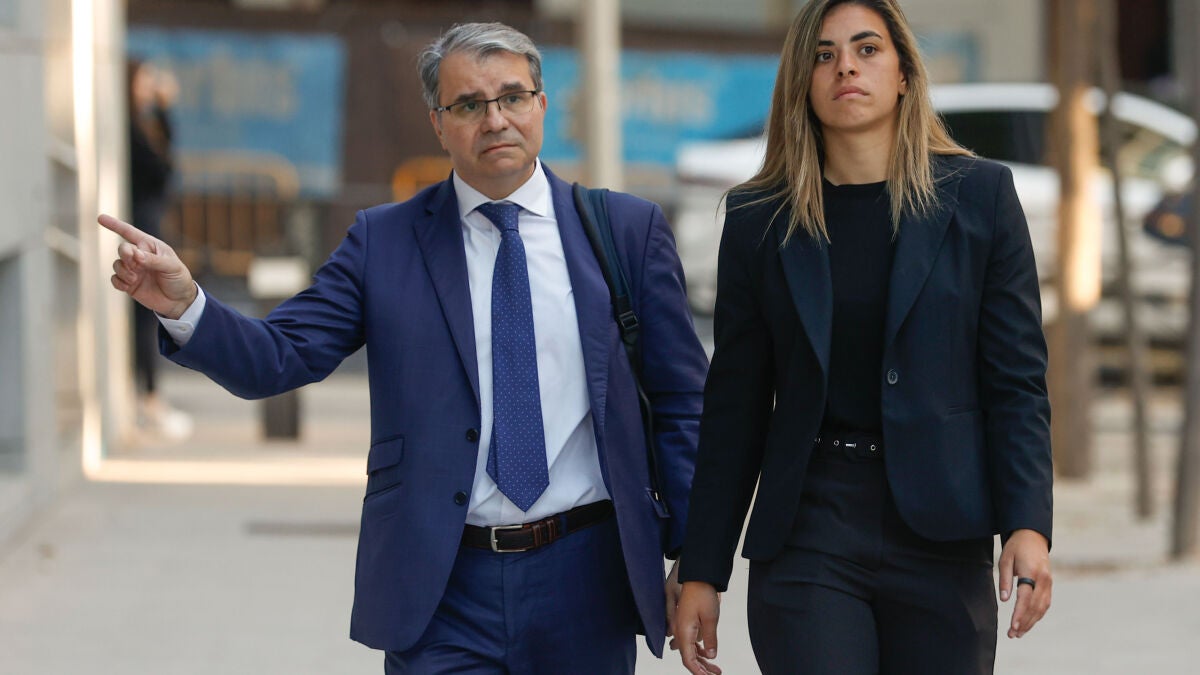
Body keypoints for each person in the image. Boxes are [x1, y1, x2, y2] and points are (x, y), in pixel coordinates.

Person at [100, 22, 708, 674]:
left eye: (512, 96)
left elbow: (684, 403)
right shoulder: (384, 242)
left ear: (541, 104)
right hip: (442, 586)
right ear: (438, 124)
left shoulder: (624, 231)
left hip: (587, 580)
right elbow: (281, 354)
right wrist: (186, 303)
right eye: (468, 105)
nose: (495, 119)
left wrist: (696, 561)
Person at [671, 1, 1053, 673]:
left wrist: (1028, 522)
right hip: (810, 526)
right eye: (823, 55)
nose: (845, 66)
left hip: (942, 529)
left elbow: (1015, 381)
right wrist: (703, 566)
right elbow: (735, 405)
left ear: (903, 73)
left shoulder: (981, 197)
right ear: (802, 83)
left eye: (867, 49)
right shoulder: (760, 220)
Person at [127, 58, 193, 439]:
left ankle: (149, 395)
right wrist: (164, 112)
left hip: (148, 224)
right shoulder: (129, 128)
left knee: (148, 316)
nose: (150, 88)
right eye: (144, 80)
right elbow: (163, 170)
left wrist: (164, 113)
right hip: (140, 227)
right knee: (145, 314)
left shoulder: (142, 123)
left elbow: (167, 163)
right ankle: (148, 397)